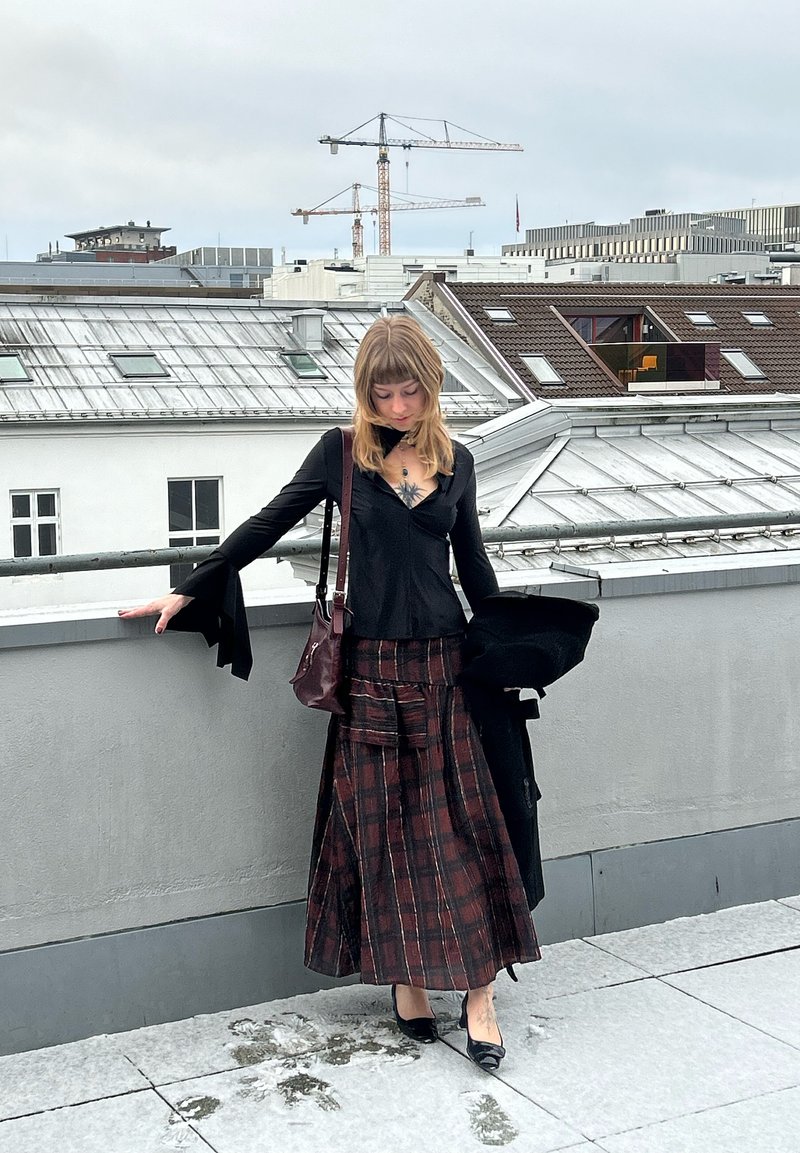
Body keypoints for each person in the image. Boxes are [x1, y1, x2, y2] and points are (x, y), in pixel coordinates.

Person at [119, 315, 541, 1071]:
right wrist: (191, 588)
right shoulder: (341, 453)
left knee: (463, 832)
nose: (398, 407)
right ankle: (409, 982)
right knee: (385, 833)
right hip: (368, 672)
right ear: (365, 393)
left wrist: (510, 649)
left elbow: (474, 566)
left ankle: (479, 994)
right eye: (383, 394)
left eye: (410, 392)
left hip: (444, 668)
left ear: (431, 387)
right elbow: (269, 522)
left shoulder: (458, 461)